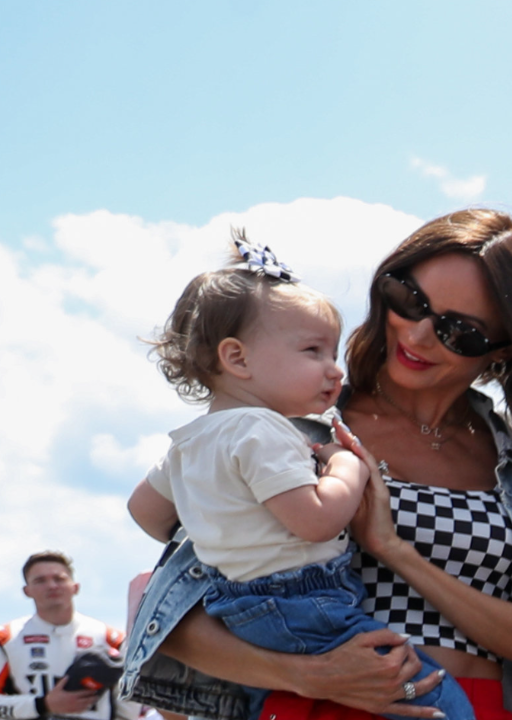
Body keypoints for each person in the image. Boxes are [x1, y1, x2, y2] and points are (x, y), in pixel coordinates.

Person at [119, 209, 512, 720]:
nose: (420, 335)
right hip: (318, 707)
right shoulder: (287, 432)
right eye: (410, 300)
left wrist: (393, 549)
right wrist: (307, 675)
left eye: (459, 330)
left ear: (504, 349)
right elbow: (172, 625)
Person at [125, 231, 472, 720]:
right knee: (434, 696)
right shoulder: (260, 429)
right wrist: (345, 466)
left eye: (332, 354)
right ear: (237, 358)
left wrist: (221, 523)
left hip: (236, 605)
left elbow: (145, 512)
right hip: (301, 600)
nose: (334, 371)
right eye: (313, 351)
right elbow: (316, 521)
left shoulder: (191, 441)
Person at [0, 551, 141, 720]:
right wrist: (42, 705)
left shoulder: (112, 638)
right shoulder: (4, 638)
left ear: (75, 587)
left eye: (59, 579)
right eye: (40, 581)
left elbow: (129, 707)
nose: (52, 585)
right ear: (26, 591)